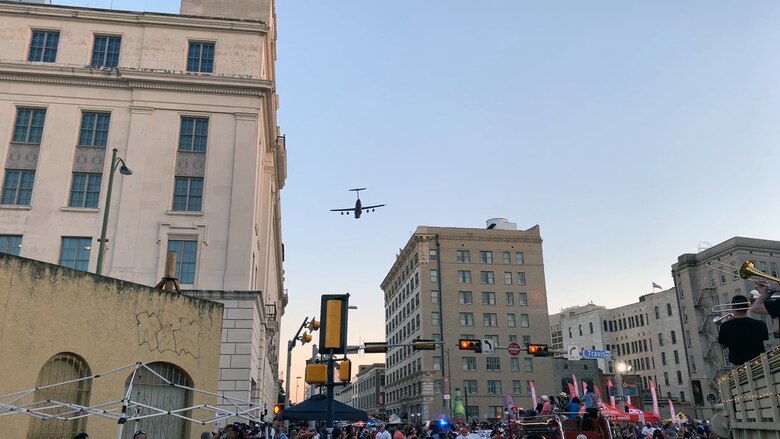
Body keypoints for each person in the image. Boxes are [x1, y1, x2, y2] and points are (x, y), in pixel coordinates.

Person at [718, 294, 769, 364]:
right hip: (759, 362)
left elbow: (723, 346)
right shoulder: (760, 324)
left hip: (738, 364)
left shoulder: (725, 326)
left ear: (732, 307)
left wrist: (727, 323)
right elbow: (765, 338)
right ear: (748, 307)